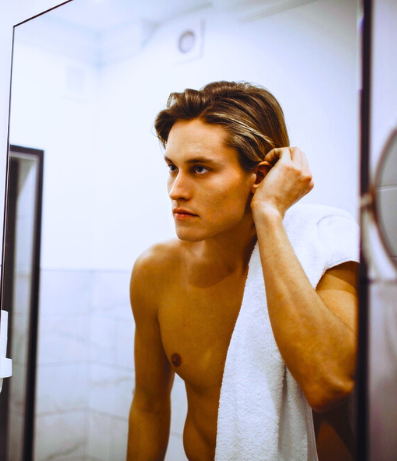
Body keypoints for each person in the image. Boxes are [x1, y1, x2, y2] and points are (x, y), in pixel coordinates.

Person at [126, 81, 359, 460]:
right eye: (173, 167)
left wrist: (269, 215)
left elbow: (329, 384)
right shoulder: (156, 270)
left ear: (261, 175)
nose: (176, 189)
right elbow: (149, 406)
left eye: (200, 169)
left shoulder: (323, 247)